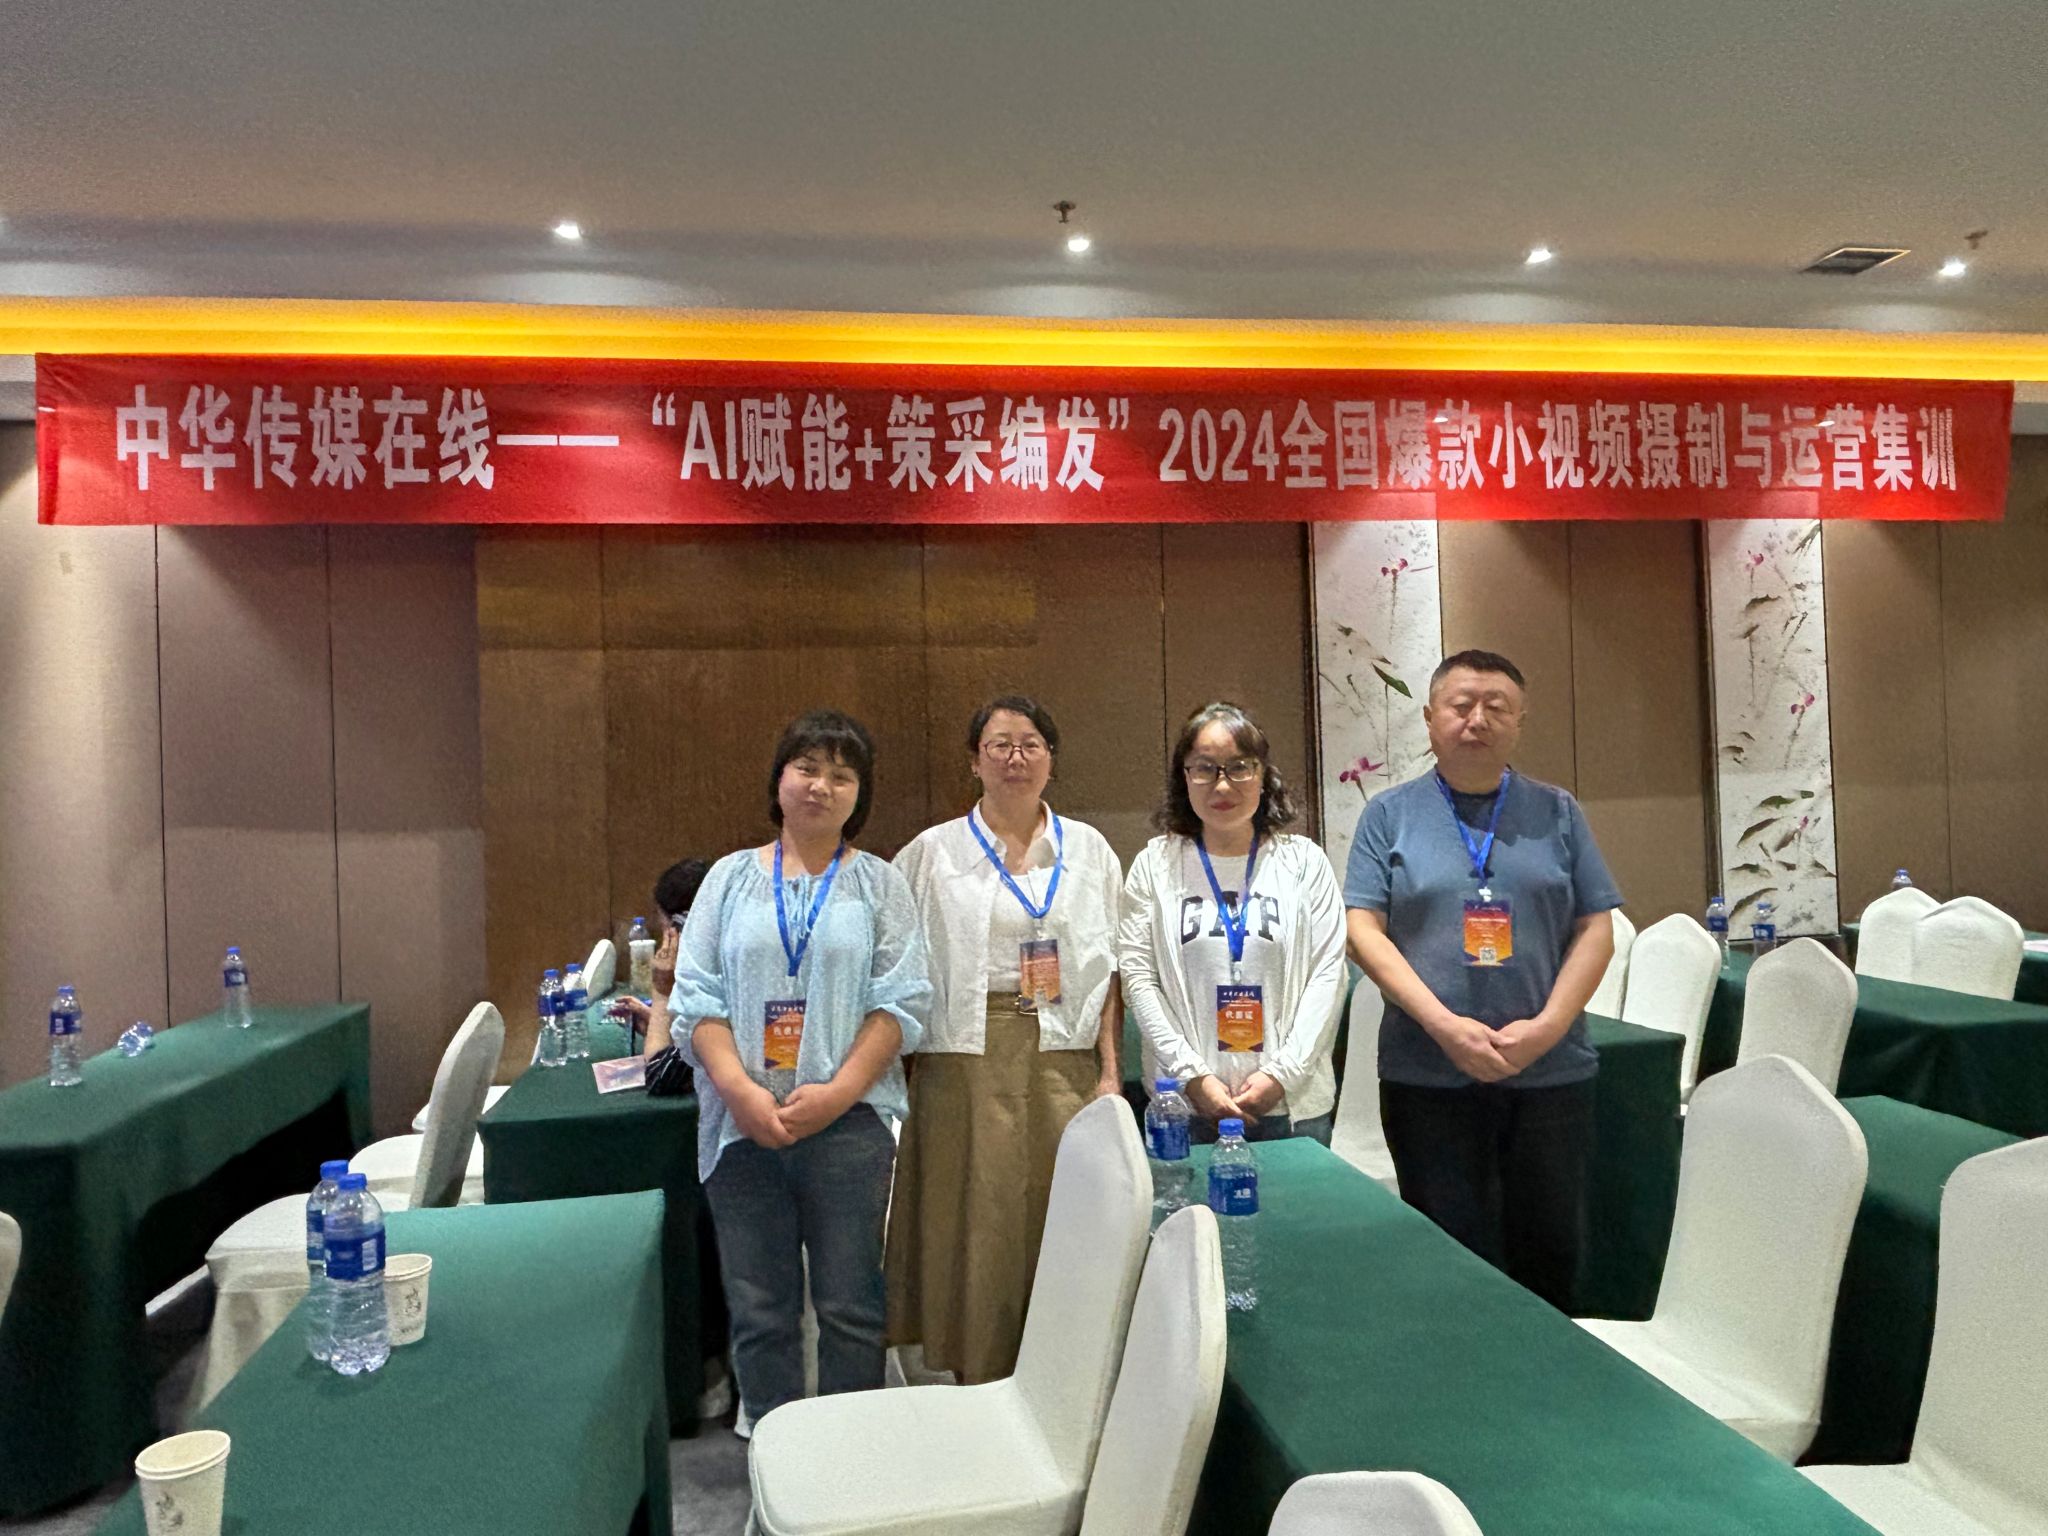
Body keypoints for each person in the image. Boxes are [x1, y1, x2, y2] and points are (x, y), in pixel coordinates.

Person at [662, 709, 930, 1432]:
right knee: (760, 1310)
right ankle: (774, 1455)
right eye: (807, 768)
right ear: (779, 779)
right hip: (740, 1127)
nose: (821, 786)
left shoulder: (879, 885)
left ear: (859, 794)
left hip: (850, 1127)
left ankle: (848, 1455)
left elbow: (901, 1002)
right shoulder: (727, 880)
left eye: (841, 775)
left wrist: (838, 1094)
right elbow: (696, 1000)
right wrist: (740, 1092)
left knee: (850, 1307)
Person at [1344, 649, 1620, 1310]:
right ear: (1429, 718)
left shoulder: (1557, 811)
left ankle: (1550, 1370)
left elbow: (1597, 927)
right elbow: (1363, 931)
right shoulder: (1390, 814)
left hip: (1550, 1075)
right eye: (1461, 704)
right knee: (1446, 1257)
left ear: (1520, 722)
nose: (1477, 719)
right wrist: (1445, 1027)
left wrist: (1547, 1029)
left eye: (1496, 707)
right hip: (1426, 1073)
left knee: (1549, 1252)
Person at [886, 694, 1125, 1383]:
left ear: (1051, 759)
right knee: (976, 1215)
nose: (1015, 758)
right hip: (962, 1057)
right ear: (974, 761)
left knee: (1062, 1211)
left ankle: (1064, 1371)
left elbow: (1112, 971)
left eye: (1030, 744)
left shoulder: (1089, 850)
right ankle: (976, 1368)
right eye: (999, 745)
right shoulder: (931, 854)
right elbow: (895, 969)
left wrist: (1111, 1071)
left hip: (1062, 1055)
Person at [1120, 700, 1347, 1144]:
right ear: (1184, 777)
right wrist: (1192, 1077)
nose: (1222, 784)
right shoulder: (1155, 865)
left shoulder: (1304, 862)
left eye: (1239, 767)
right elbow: (1138, 979)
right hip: (1183, 1106)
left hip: (1291, 1105)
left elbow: (1328, 975)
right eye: (1204, 768)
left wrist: (1282, 1074)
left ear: (1263, 774)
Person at [614, 858, 710, 1045]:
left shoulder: (705, 977)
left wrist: (662, 993)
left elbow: (660, 1062)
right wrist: (657, 1023)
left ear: (679, 925)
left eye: (661, 918)